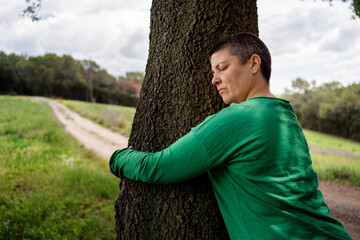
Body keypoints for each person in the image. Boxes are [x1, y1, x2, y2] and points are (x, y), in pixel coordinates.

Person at [109, 33, 352, 240]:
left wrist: (118, 157)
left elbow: (158, 167)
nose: (214, 79)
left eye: (222, 68)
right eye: (213, 71)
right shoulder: (285, 114)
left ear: (254, 64)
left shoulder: (239, 118)